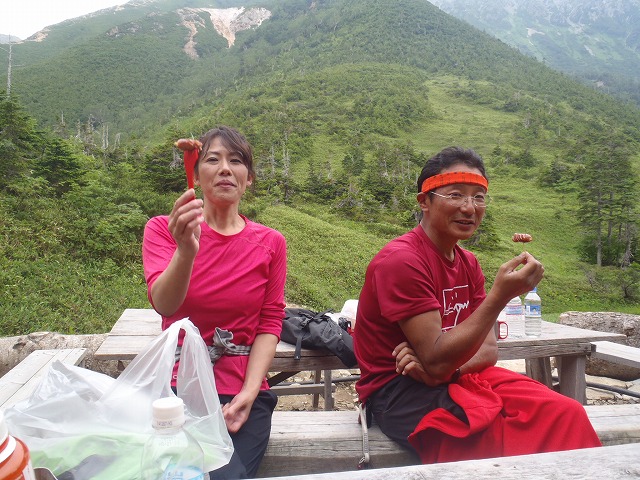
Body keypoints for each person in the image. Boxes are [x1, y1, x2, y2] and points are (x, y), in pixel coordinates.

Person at [353, 146, 601, 464]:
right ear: (424, 202)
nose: (470, 208)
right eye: (455, 194)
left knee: (565, 412)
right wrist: (500, 297)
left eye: (479, 197)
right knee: (498, 435)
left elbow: (487, 351)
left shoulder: (468, 262)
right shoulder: (402, 261)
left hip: (454, 375)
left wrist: (449, 368)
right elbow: (436, 360)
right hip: (399, 391)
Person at [142, 126, 287, 479]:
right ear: (196, 173)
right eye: (212, 159)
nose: (225, 168)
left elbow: (270, 323)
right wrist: (186, 251)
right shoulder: (164, 229)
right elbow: (165, 303)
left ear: (248, 178)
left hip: (242, 391)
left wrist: (249, 394)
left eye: (235, 161)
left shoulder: (271, 242)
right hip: (178, 388)